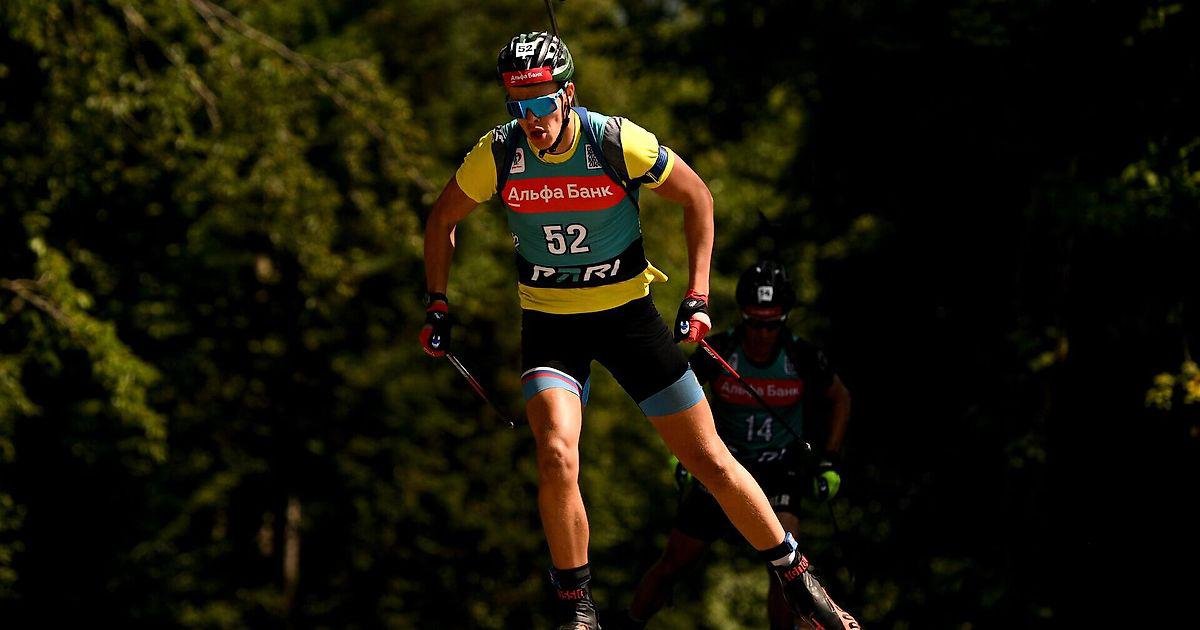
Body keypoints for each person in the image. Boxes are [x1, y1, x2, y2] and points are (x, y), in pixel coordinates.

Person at [420, 32, 852, 629]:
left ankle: (796, 575)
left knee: (710, 460)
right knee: (556, 453)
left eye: (541, 102)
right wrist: (437, 302)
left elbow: (697, 197)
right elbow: (442, 219)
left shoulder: (615, 141)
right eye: (517, 105)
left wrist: (697, 295)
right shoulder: (498, 153)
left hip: (627, 320)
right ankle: (577, 606)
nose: (531, 119)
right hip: (551, 325)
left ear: (568, 94)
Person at [617, 260, 860, 630]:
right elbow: (671, 400)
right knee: (673, 564)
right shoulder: (720, 351)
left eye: (772, 324)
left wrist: (829, 459)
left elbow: (840, 397)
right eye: (754, 322)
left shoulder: (801, 356)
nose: (762, 334)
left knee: (789, 567)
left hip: (779, 473)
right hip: (723, 468)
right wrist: (680, 455)